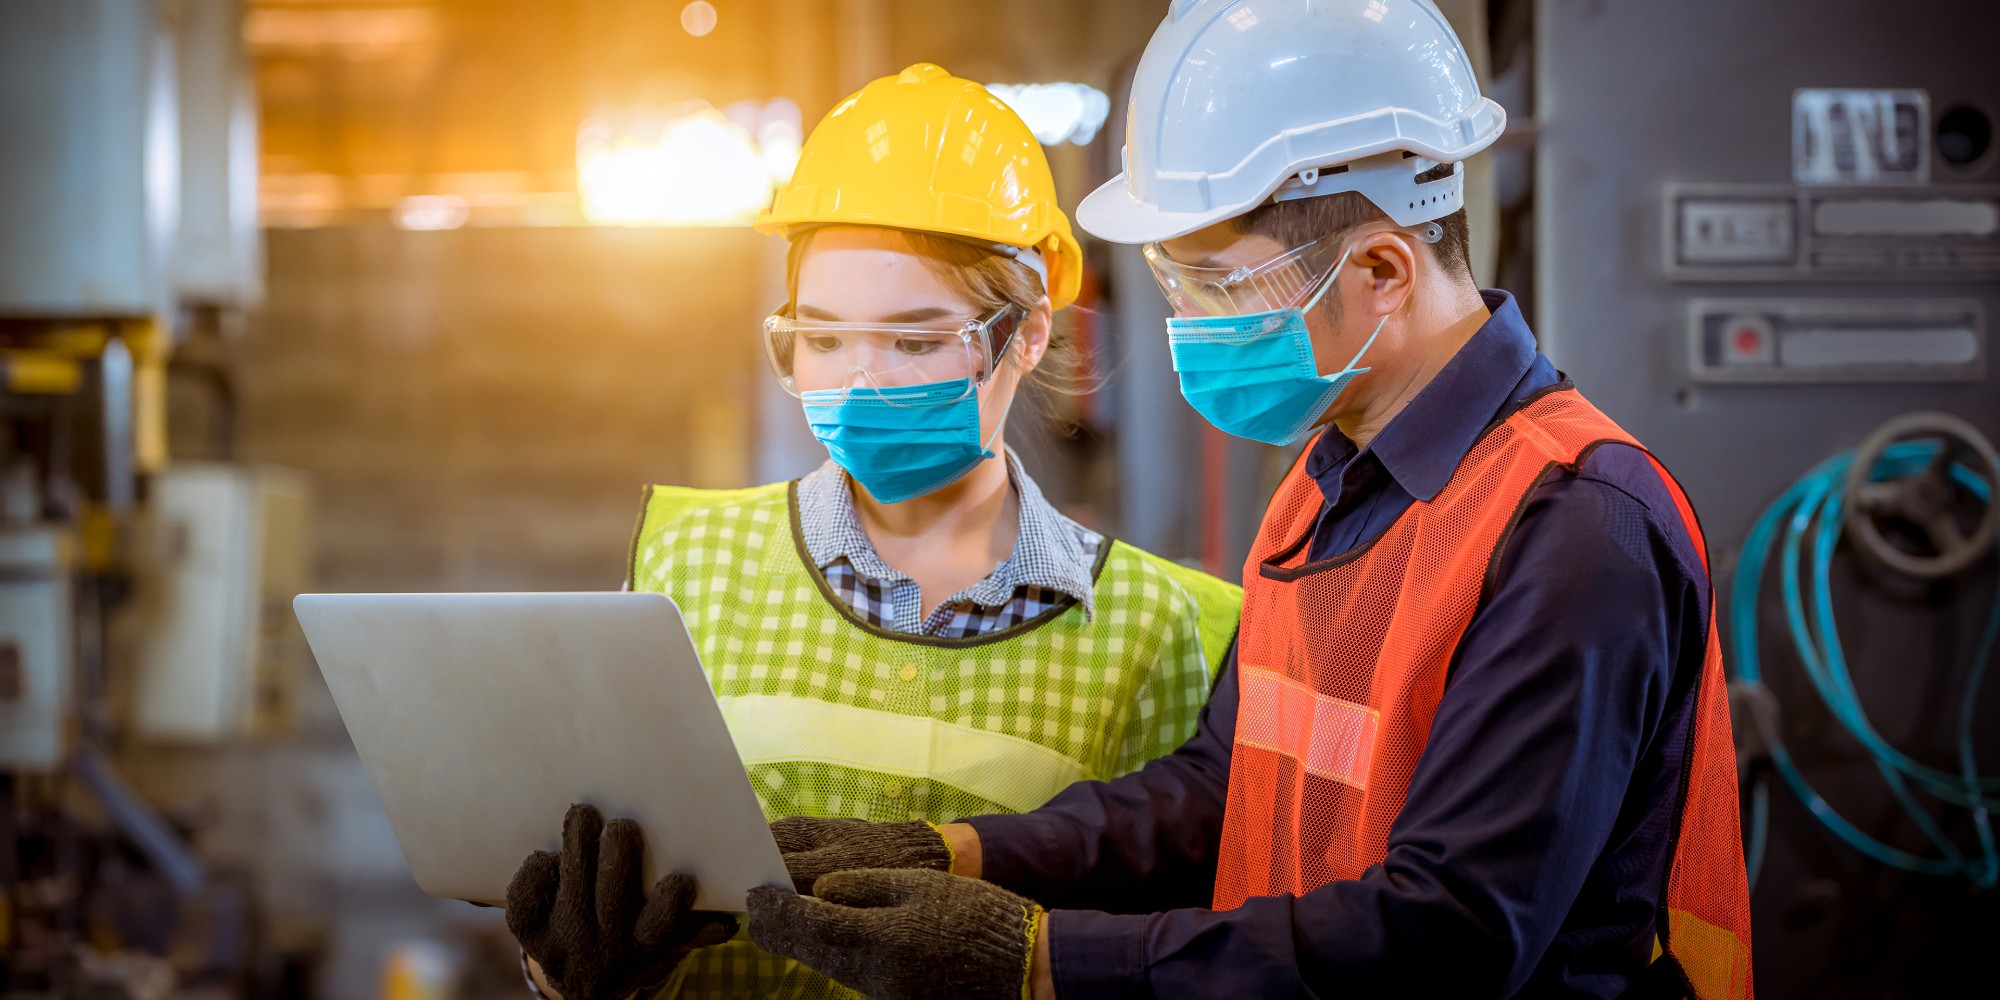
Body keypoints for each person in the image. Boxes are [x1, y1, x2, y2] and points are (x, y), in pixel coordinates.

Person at [740, 3, 1755, 999]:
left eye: (1213, 286)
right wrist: (949, 851)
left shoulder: (1575, 524)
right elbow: (1218, 789)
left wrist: (1039, 961)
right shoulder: (1322, 485)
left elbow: (1449, 932)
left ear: (1380, 269)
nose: (1184, 323)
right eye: (1172, 285)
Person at [501, 63, 1242, 1000]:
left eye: (916, 340)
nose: (859, 380)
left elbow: (1173, 953)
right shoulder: (682, 564)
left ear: (1030, 333)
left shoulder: (1176, 632)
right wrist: (562, 973)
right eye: (823, 337)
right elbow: (591, 881)